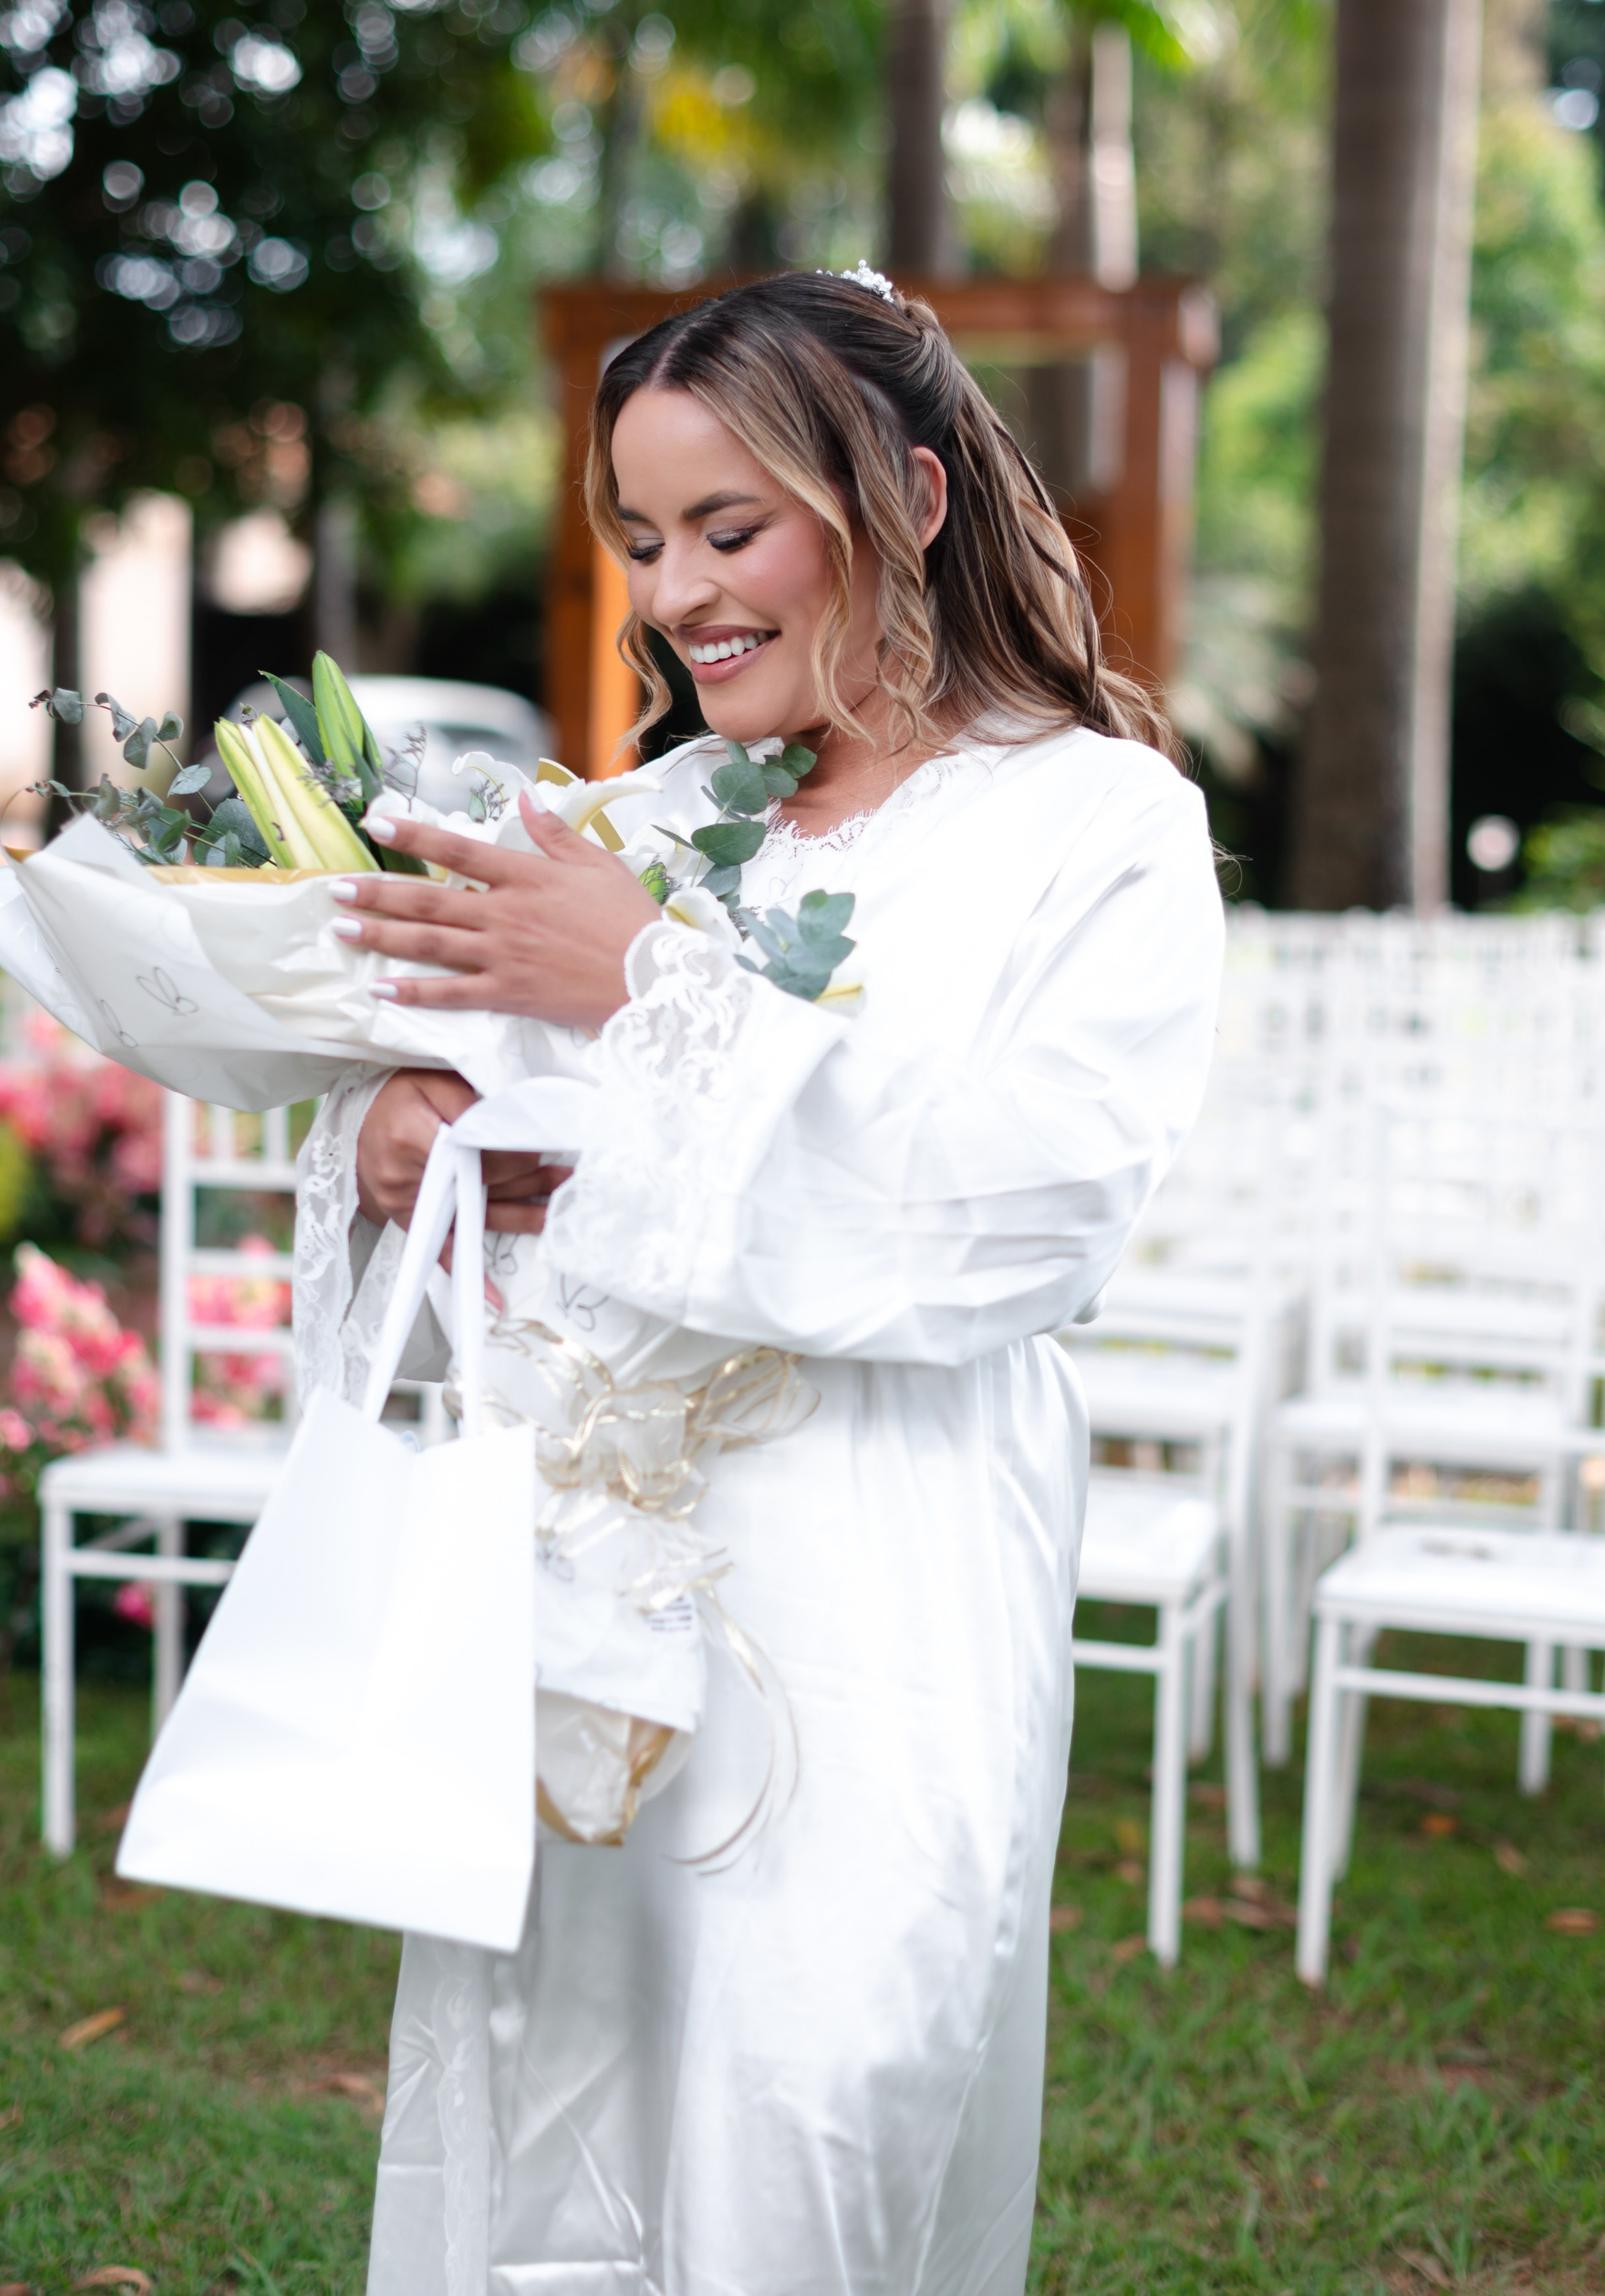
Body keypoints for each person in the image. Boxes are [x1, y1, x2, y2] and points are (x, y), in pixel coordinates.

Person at [297, 268, 1223, 2296]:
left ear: (904, 491)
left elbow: (1023, 1208)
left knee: (816, 2104)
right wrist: (393, 1157)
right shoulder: (627, 822)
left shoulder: (1100, 828)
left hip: (880, 1593)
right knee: (557, 2089)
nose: (678, 590)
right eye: (641, 538)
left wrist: (642, 982)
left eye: (733, 527)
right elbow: (492, 1172)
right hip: (587, 1596)